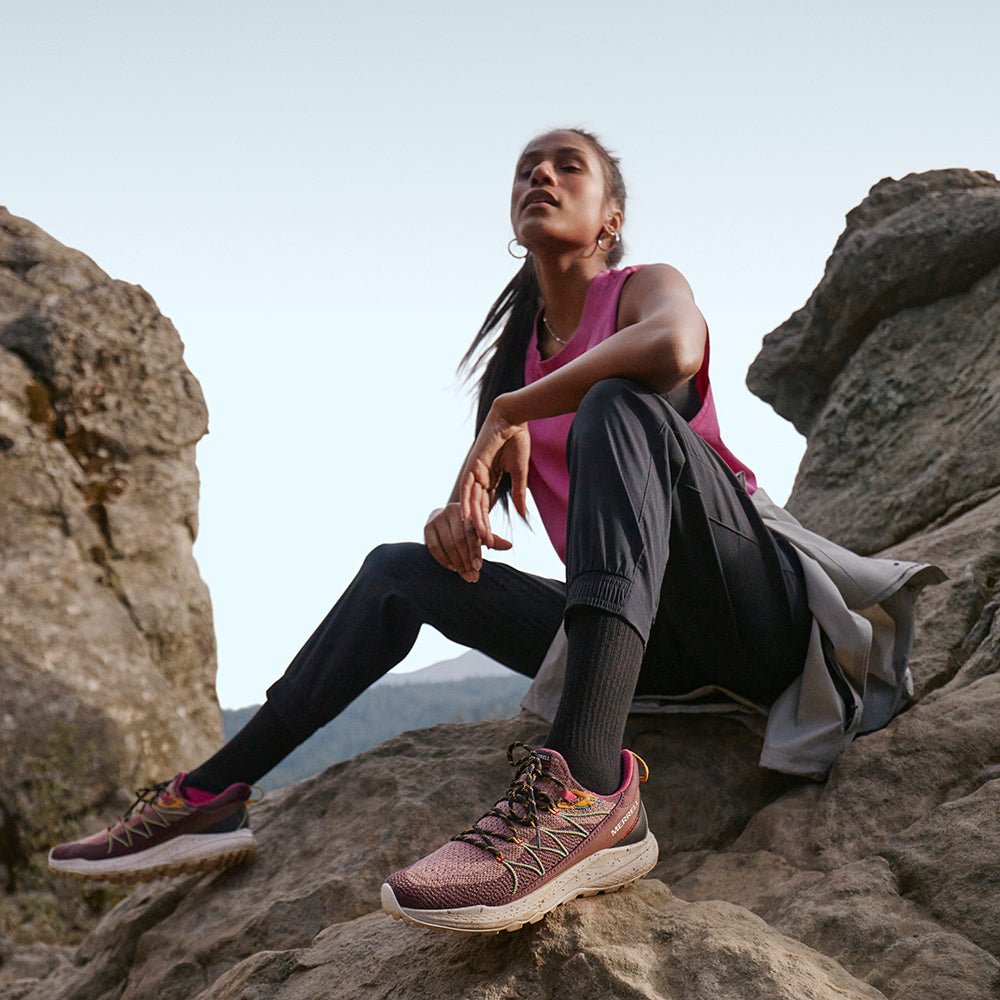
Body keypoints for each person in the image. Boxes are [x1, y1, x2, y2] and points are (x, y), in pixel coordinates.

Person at [48, 128, 939, 934]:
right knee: (398, 571)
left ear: (609, 220)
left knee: (620, 407)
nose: (541, 175)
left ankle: (588, 789)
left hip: (757, 608)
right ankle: (209, 796)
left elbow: (674, 351)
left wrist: (514, 408)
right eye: (526, 169)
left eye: (567, 167)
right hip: (662, 651)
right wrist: (454, 521)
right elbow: (502, 515)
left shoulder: (642, 290)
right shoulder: (522, 360)